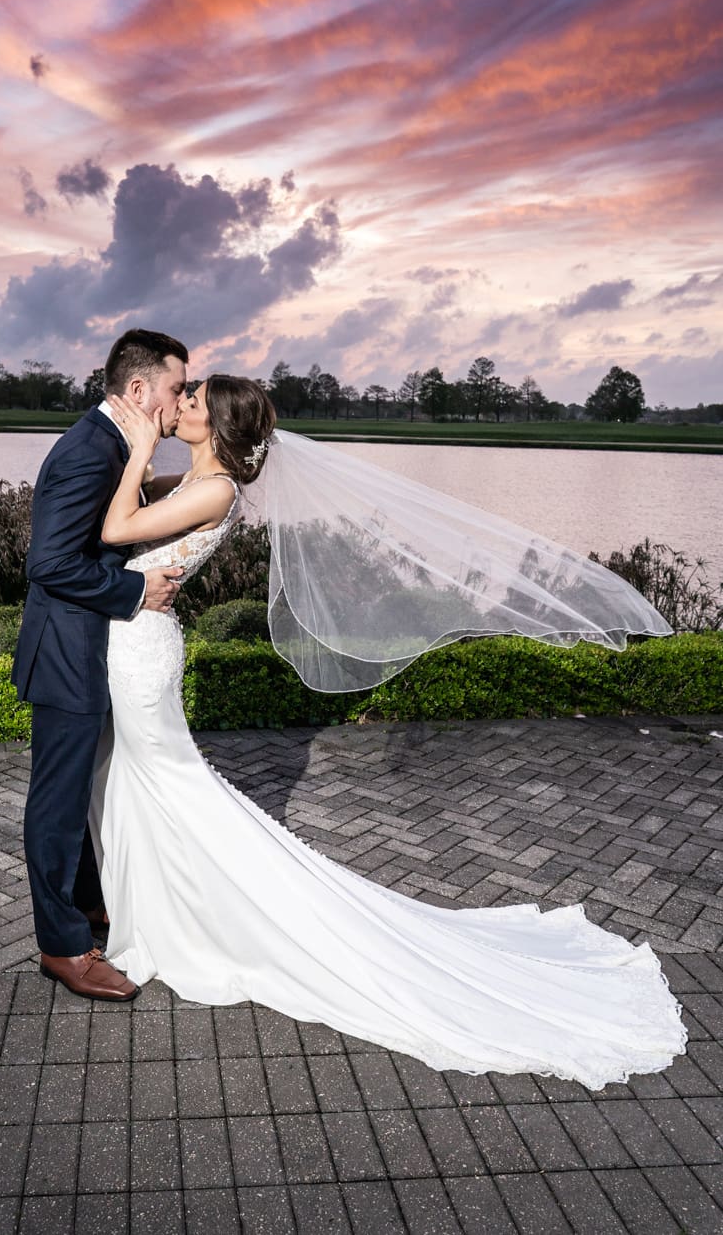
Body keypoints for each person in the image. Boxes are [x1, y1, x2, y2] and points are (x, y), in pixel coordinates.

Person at [91, 373, 686, 1089]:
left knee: (168, 780)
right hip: (138, 642)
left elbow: (115, 530)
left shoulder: (214, 491)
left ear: (215, 423)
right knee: (150, 779)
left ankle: (201, 919)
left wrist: (133, 449)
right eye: (179, 396)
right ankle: (155, 910)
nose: (176, 405)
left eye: (190, 400)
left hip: (141, 651)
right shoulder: (196, 478)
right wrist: (143, 456)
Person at [12, 328, 190, 1001]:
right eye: (175, 389)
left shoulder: (116, 444)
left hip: (92, 650)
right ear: (139, 389)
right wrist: (137, 591)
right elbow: (50, 564)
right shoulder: (90, 453)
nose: (179, 402)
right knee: (56, 804)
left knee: (82, 791)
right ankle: (63, 948)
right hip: (67, 653)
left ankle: (87, 904)